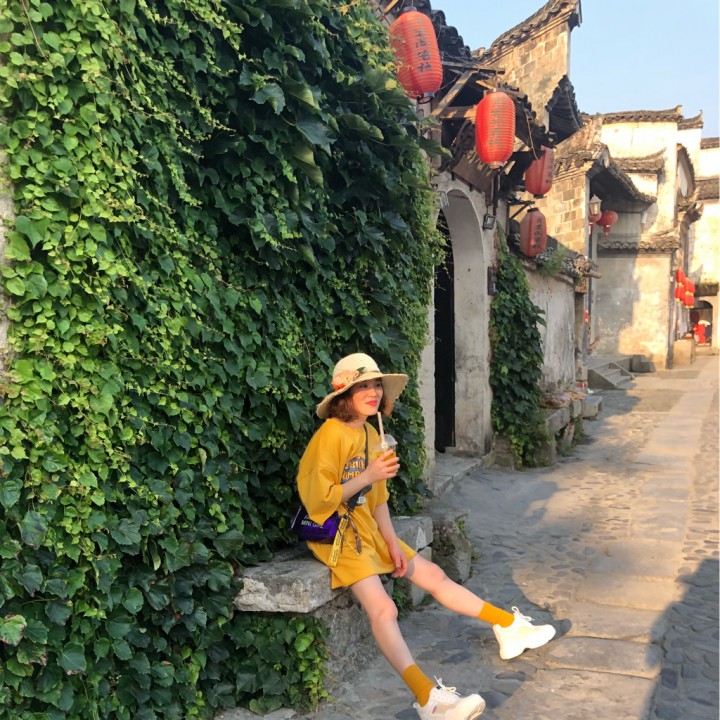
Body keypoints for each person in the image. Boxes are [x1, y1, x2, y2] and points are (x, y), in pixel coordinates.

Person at [296, 353, 557, 720]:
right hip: (339, 536)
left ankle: (508, 626)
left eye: (376, 385)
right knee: (384, 609)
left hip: (369, 529)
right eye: (362, 386)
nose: (373, 392)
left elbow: (379, 501)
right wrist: (369, 475)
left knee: (433, 575)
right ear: (344, 395)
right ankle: (428, 700)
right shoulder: (331, 435)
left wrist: (391, 544)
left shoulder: (371, 433)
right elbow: (317, 499)